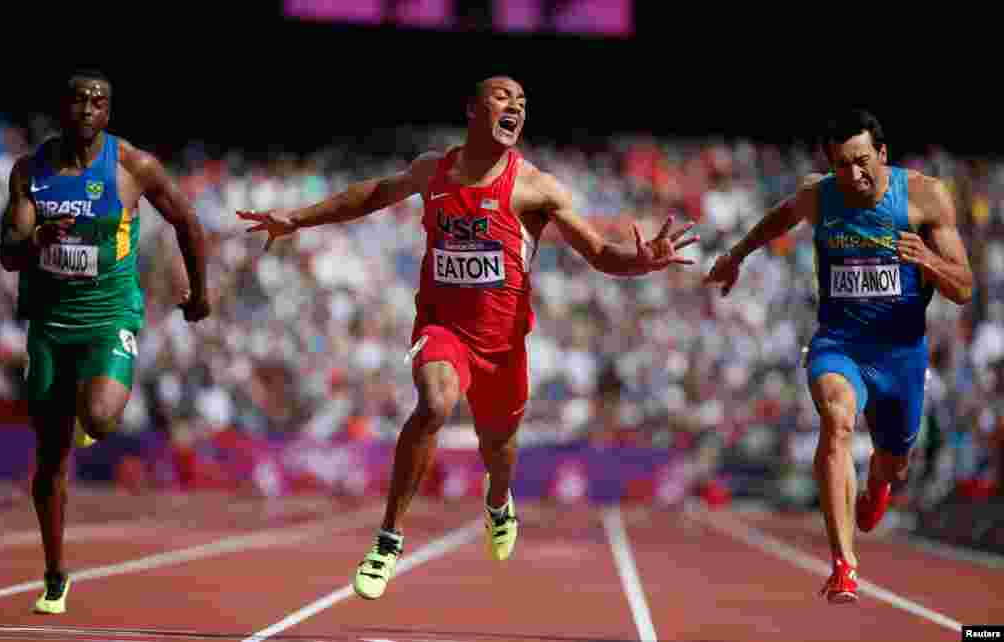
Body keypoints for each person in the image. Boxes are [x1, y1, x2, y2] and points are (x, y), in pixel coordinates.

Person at [239, 75, 698, 600]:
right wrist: (296, 218)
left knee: (499, 451)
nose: (516, 107)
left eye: (523, 103)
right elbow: (371, 195)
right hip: (443, 329)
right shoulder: (432, 171)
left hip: (503, 347)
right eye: (504, 97)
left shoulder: (535, 187)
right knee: (434, 403)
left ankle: (498, 503)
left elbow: (597, 252)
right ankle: (387, 541)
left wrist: (641, 261)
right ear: (472, 108)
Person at [705, 109, 973, 604]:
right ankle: (844, 565)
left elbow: (964, 289)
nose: (853, 175)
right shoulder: (819, 194)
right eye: (841, 165)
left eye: (862, 161)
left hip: (901, 355)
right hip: (840, 343)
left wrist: (929, 261)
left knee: (894, 465)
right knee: (837, 420)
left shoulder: (924, 196)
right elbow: (779, 218)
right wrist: (736, 255)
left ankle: (878, 489)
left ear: (883, 154)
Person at [0, 68, 211, 614]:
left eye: (99, 102)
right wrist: (36, 239)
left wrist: (199, 293)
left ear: (109, 113)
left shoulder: (133, 166)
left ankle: (87, 412)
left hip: (108, 314)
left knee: (99, 418)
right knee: (48, 460)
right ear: (63, 108)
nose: (89, 109)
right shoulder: (30, 171)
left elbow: (187, 222)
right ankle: (54, 572)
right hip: (49, 322)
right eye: (79, 100)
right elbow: (9, 253)